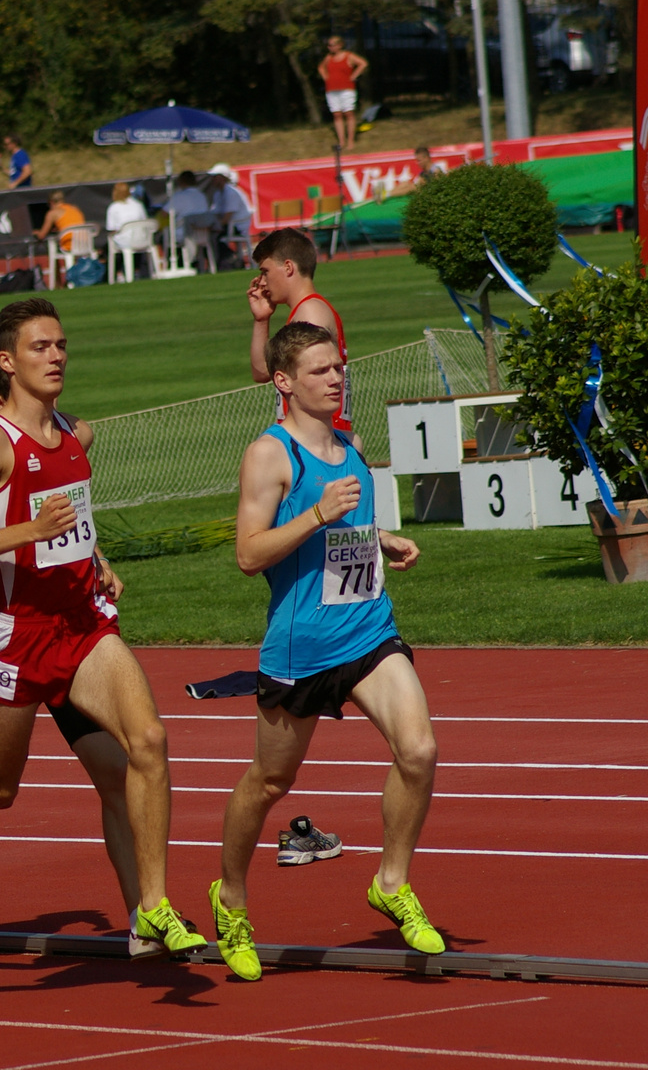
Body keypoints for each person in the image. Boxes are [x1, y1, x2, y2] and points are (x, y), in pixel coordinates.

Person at [0, 297, 207, 961]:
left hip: (82, 625)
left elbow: (69, 518)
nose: (57, 357)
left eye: (62, 345)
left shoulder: (71, 432)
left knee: (149, 741)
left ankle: (153, 905)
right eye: (41, 347)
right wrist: (30, 532)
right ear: (8, 361)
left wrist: (94, 559)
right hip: (17, 634)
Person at [212, 321, 440, 981]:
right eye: (319, 370)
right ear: (283, 382)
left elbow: (349, 529)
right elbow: (248, 555)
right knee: (270, 782)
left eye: (338, 367)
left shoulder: (352, 446)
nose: (335, 378)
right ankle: (229, 896)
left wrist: (382, 538)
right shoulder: (270, 455)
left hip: (368, 631)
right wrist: (316, 515)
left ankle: (391, 883)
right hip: (300, 648)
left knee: (419, 750)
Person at [247, 228, 350, 433]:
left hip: (317, 439)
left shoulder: (310, 312)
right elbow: (262, 373)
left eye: (265, 271)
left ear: (287, 267)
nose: (263, 282)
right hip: (309, 438)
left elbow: (316, 384)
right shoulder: (303, 311)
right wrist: (261, 320)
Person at [319, 35, 368, 152]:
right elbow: (321, 68)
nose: (330, 47)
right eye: (329, 45)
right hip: (332, 89)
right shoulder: (328, 57)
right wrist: (326, 78)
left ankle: (351, 140)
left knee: (349, 113)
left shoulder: (348, 56)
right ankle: (342, 141)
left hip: (347, 89)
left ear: (340, 45)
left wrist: (354, 76)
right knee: (337, 114)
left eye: (332, 45)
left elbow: (363, 63)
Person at [33, 190, 87, 286]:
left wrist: (35, 232)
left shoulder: (53, 213)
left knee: (52, 250)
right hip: (85, 243)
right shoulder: (74, 208)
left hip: (70, 244)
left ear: (51, 202)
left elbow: (42, 235)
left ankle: (57, 284)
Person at [163, 171, 213, 250]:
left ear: (181, 182)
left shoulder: (179, 196)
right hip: (202, 234)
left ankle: (169, 260)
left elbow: (164, 214)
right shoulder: (202, 196)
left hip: (184, 234)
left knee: (163, 233)